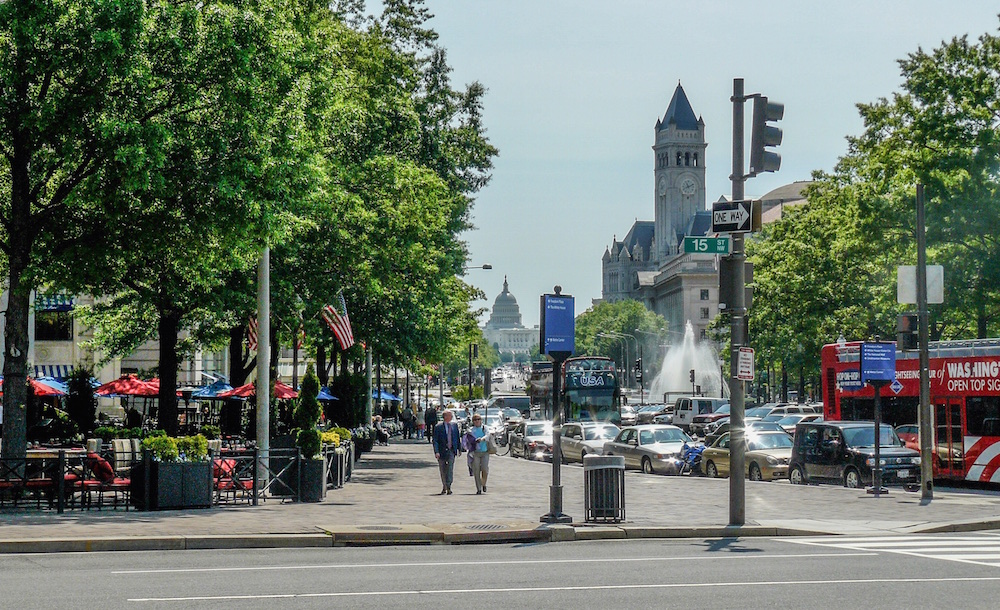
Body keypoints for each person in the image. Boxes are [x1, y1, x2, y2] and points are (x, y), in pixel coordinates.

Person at [432, 410, 461, 495]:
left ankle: (449, 486)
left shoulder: (454, 426)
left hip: (451, 450)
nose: (451, 417)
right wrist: (436, 452)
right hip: (441, 451)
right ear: (445, 417)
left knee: (450, 469)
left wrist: (459, 448)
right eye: (449, 415)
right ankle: (444, 485)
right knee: (443, 469)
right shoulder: (438, 427)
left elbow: (457, 438)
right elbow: (435, 440)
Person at [469, 414, 490, 494]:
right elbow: (469, 439)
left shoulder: (485, 428)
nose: (477, 421)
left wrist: (482, 439)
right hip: (475, 453)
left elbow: (488, 435)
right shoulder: (471, 430)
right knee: (476, 471)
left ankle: (483, 483)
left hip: (485, 452)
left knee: (485, 469)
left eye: (478, 419)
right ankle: (478, 488)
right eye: (475, 420)